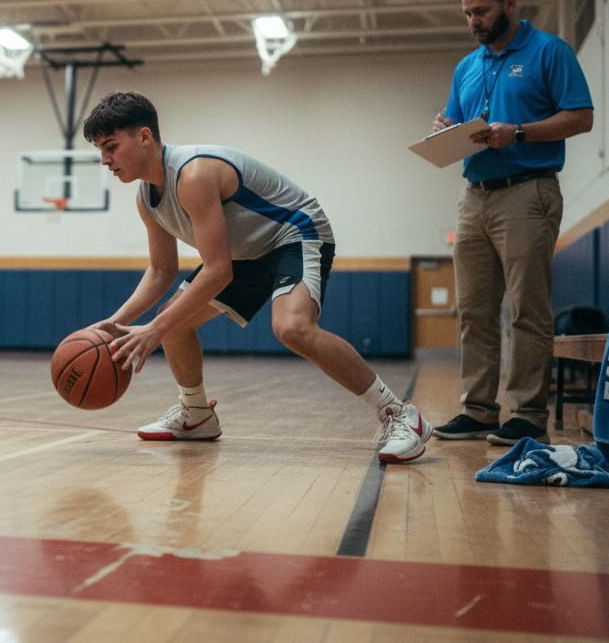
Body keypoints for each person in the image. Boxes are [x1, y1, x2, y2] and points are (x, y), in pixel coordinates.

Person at [82, 91, 431, 464]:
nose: (105, 160)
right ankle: (196, 413)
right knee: (174, 323)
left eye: (111, 147)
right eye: (101, 151)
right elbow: (161, 270)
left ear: (145, 137)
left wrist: (154, 328)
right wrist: (116, 324)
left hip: (293, 232)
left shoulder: (193, 173)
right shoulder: (145, 198)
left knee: (292, 327)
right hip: (244, 251)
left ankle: (399, 414)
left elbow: (218, 272)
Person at [431, 0, 593, 446]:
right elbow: (461, 125)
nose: (474, 22)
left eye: (481, 11)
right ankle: (478, 409)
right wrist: (445, 130)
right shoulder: (467, 67)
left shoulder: (549, 52)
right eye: (467, 14)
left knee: (526, 307)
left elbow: (581, 117)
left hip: (528, 191)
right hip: (474, 195)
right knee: (474, 310)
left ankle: (526, 413)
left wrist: (517, 132)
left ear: (510, 4)